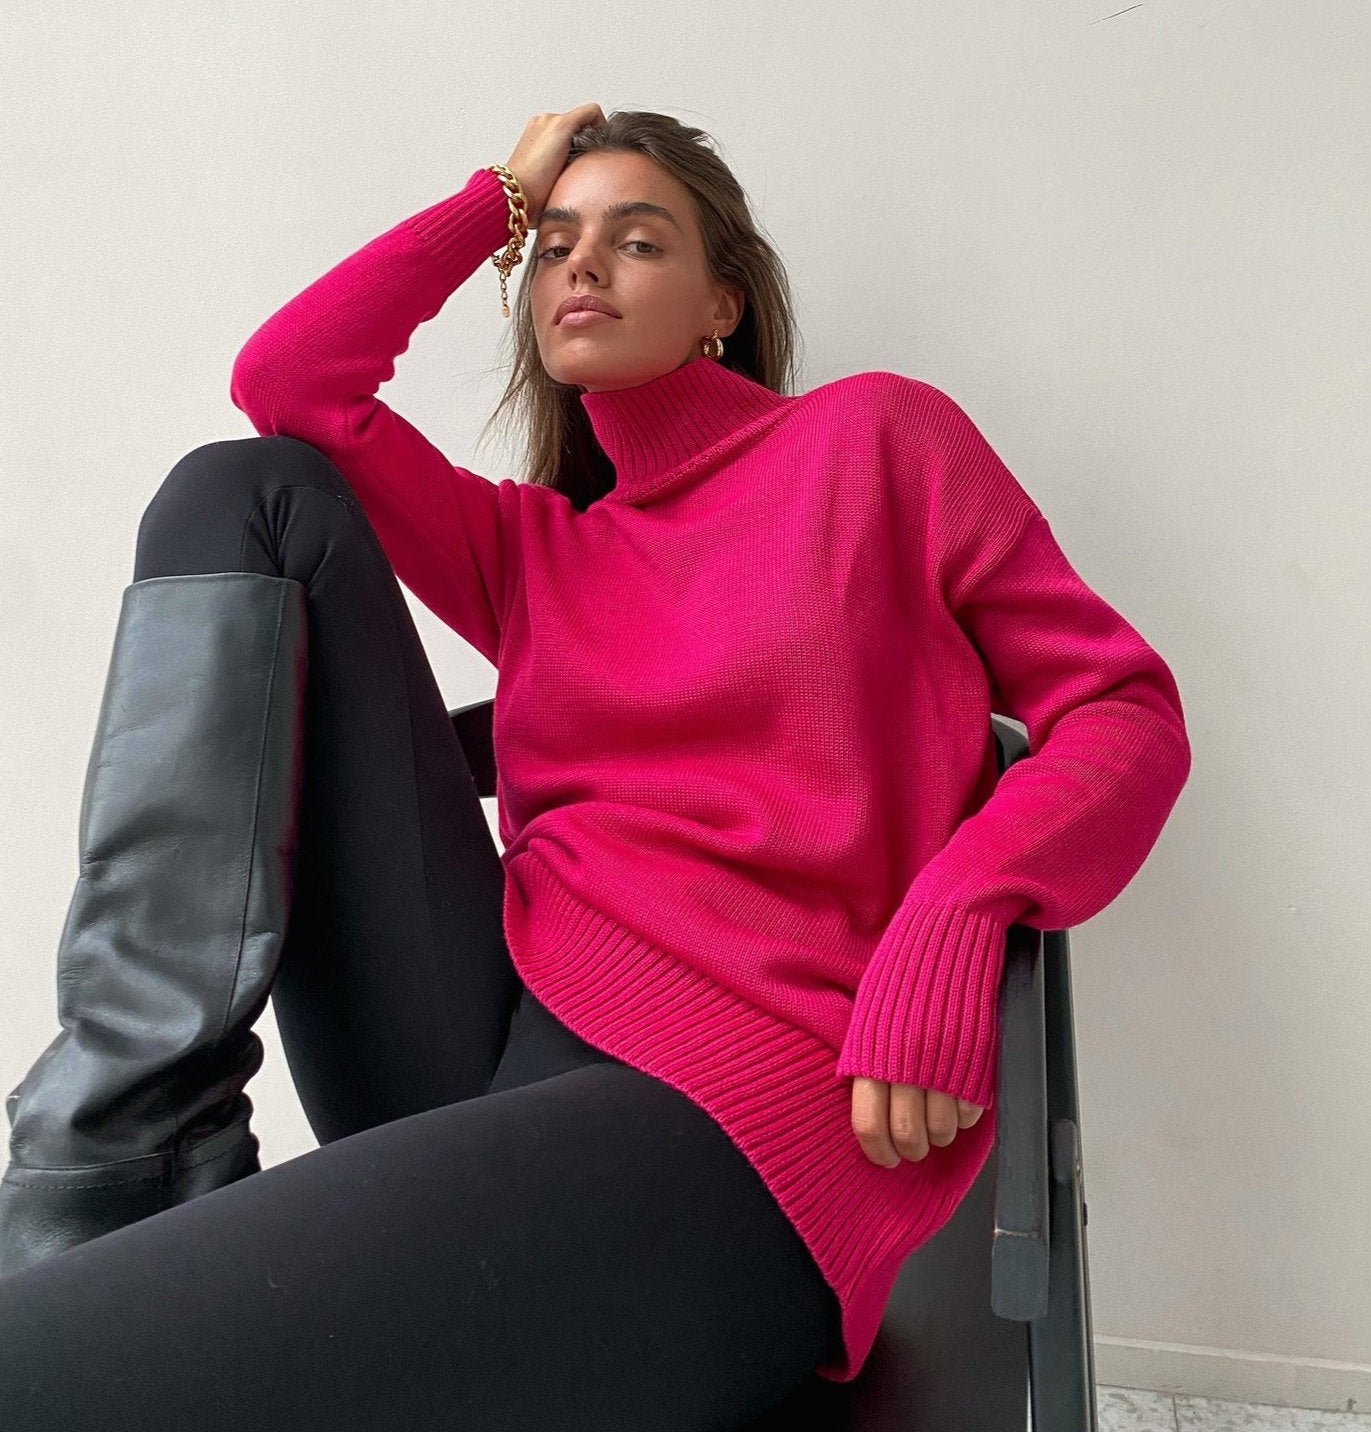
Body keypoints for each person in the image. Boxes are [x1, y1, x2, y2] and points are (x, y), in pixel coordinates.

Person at [0, 106, 1192, 1428]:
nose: (582, 264)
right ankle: (116, 1149)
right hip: (480, 1022)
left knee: (70, 1360)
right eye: (555, 243)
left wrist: (962, 906)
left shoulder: (874, 444)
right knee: (247, 488)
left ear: (723, 303)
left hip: (737, 1099)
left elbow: (1121, 710)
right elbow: (291, 378)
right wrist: (494, 201)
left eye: (637, 240)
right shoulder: (540, 552)